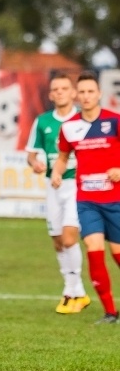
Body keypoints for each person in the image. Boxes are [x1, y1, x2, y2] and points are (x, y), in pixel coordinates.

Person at [52, 71, 120, 324]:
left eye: (91, 91)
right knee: (94, 249)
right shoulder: (69, 128)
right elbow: (62, 157)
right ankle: (110, 312)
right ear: (76, 96)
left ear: (99, 94)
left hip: (116, 200)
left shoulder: (115, 121)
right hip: (87, 201)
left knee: (117, 254)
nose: (86, 96)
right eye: (82, 92)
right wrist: (57, 174)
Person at [25, 74, 90, 314]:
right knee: (57, 240)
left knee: (69, 238)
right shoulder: (43, 122)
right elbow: (32, 153)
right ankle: (79, 292)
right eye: (56, 89)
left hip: (77, 185)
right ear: (50, 95)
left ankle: (69, 291)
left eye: (65, 88)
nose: (60, 92)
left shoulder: (83, 120)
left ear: (73, 93)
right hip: (53, 186)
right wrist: (35, 163)